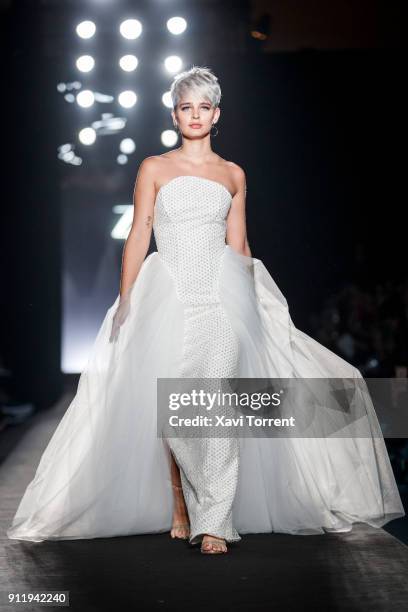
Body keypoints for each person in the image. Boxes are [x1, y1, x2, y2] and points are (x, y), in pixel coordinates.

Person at [7, 66, 405, 555]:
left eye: (203, 107)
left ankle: (215, 519)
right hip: (167, 288)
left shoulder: (233, 174)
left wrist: (255, 299)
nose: (194, 115)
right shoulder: (154, 167)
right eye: (185, 107)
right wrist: (126, 298)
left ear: (216, 114)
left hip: (220, 296)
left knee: (216, 401)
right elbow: (139, 233)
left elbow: (238, 244)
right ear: (175, 114)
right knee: (172, 403)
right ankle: (180, 499)